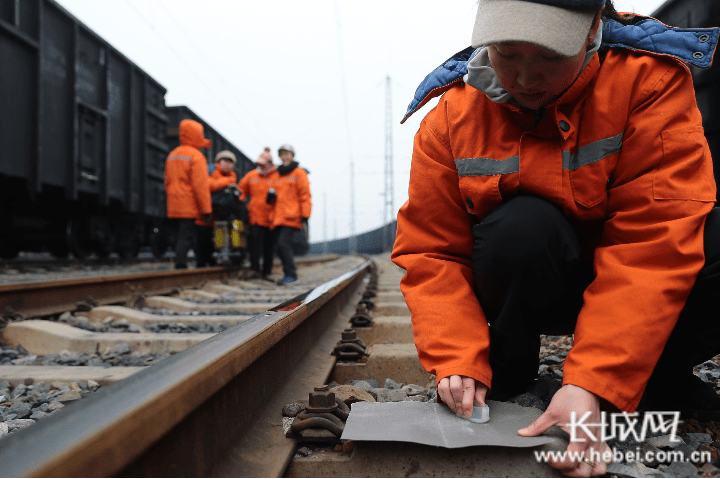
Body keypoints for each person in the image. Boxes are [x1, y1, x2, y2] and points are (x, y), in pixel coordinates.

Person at [391, 0, 720, 476]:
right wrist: (457, 357)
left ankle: (658, 376)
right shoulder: (451, 117)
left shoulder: (649, 81)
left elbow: (653, 243)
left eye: (549, 56)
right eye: (507, 53)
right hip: (538, 279)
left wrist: (593, 382)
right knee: (520, 228)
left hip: (627, 284)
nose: (526, 78)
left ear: (592, 31)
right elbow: (432, 251)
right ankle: (506, 368)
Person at [164, 119, 213, 269]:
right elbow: (200, 186)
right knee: (188, 235)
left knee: (180, 235)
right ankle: (181, 265)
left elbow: (167, 181)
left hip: (173, 201)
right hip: (189, 204)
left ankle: (181, 261)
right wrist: (206, 210)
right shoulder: (196, 156)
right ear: (197, 135)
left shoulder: (172, 154)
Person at [270, 144, 312, 284]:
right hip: (278, 217)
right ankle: (288, 274)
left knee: (283, 244)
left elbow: (305, 195)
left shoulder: (298, 173)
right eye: (282, 154)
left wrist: (305, 215)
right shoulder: (277, 175)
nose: (284, 156)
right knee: (278, 246)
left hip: (292, 216)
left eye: (287, 153)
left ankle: (292, 275)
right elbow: (274, 195)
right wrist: (269, 198)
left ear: (292, 155)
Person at [194, 150, 242, 267]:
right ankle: (202, 267)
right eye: (225, 161)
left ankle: (235, 257)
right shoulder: (211, 172)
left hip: (222, 216)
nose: (227, 164)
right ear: (218, 162)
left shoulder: (234, 176)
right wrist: (229, 182)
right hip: (206, 215)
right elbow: (210, 185)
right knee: (203, 243)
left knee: (237, 228)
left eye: (230, 162)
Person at [239, 147, 278, 278]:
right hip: (255, 216)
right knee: (254, 245)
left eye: (263, 164)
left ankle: (267, 271)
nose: (260, 166)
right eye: (259, 164)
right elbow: (241, 191)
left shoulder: (277, 176)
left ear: (270, 164)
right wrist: (240, 202)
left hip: (271, 218)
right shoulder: (251, 175)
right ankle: (254, 269)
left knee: (268, 246)